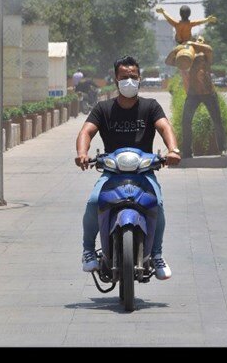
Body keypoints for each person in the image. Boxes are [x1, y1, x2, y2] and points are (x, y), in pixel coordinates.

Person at [75, 55, 181, 280]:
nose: (129, 81)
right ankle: (88, 250)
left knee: (157, 205)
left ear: (140, 78)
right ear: (116, 80)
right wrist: (82, 153)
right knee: (94, 202)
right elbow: (86, 131)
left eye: (133, 76)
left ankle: (157, 254)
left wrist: (173, 150)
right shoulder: (103, 108)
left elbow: (165, 127)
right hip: (111, 173)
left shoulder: (151, 107)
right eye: (124, 77)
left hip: (144, 172)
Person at [181, 41, 227, 158]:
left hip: (208, 93)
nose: (199, 62)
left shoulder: (207, 56)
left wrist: (193, 43)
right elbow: (183, 74)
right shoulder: (188, 57)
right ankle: (186, 151)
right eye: (197, 61)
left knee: (217, 121)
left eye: (200, 60)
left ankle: (222, 149)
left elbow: (209, 49)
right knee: (186, 121)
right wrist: (180, 49)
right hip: (193, 94)